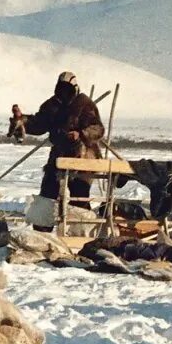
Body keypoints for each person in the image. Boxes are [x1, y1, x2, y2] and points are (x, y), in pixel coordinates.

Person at [21, 71, 104, 229]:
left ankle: (80, 233)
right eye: (61, 88)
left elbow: (98, 128)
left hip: (83, 156)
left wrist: (81, 134)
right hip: (59, 154)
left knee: (79, 195)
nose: (64, 92)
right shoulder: (52, 105)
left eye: (67, 89)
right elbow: (39, 123)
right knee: (48, 193)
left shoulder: (84, 104)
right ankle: (42, 231)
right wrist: (23, 122)